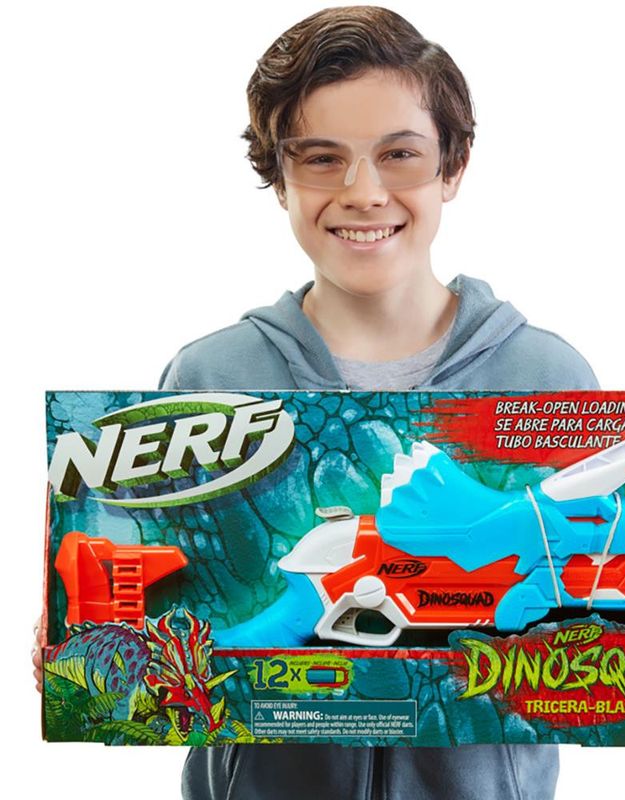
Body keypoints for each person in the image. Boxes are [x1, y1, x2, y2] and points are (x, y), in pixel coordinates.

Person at [157, 8, 596, 799]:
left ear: (453, 167)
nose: (364, 193)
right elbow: (178, 619)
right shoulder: (206, 376)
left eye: (399, 154)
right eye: (322, 158)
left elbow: (581, 628)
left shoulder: (549, 376)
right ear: (279, 176)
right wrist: (89, 655)